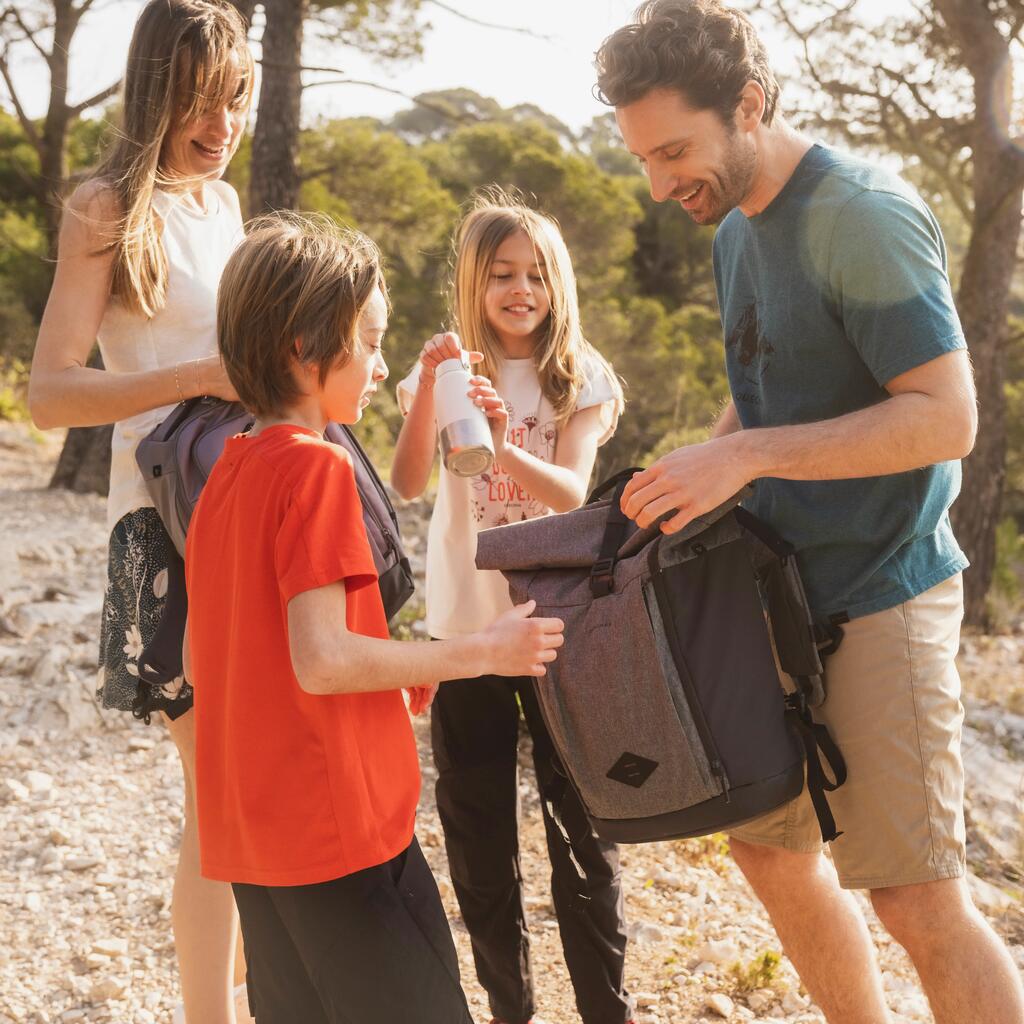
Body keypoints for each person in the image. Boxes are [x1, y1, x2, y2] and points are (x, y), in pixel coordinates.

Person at [595, 3, 1024, 1023]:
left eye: (672, 152)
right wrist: (702, 464)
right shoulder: (735, 224)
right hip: (771, 597)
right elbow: (765, 384)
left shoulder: (861, 216)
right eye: (641, 160)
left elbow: (945, 416)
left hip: (879, 592)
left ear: (748, 105)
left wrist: (741, 455)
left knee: (916, 896)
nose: (658, 186)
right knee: (765, 848)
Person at [183, 212, 565, 1024]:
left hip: (251, 834)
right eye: (368, 339)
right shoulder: (317, 468)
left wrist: (392, 675)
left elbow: (223, 651)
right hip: (338, 833)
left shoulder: (227, 470)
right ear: (302, 344)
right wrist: (480, 652)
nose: (381, 361)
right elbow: (321, 661)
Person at [28, 2, 255, 1021]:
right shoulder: (103, 207)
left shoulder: (225, 208)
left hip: (249, 530)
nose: (219, 125)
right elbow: (47, 392)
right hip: (157, 538)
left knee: (245, 788)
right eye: (198, 103)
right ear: (154, 93)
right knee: (218, 790)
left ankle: (247, 998)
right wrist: (200, 376)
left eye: (237, 98)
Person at [391, 192, 634, 1024]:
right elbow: (410, 480)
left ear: (558, 284)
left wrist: (503, 450)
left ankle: (608, 1009)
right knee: (478, 832)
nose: (519, 288)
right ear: (474, 282)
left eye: (536, 274)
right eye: (501, 274)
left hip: (557, 626)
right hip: (466, 630)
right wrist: (432, 387)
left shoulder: (580, 376)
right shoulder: (453, 373)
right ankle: (509, 1009)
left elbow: (572, 492)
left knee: (582, 834)